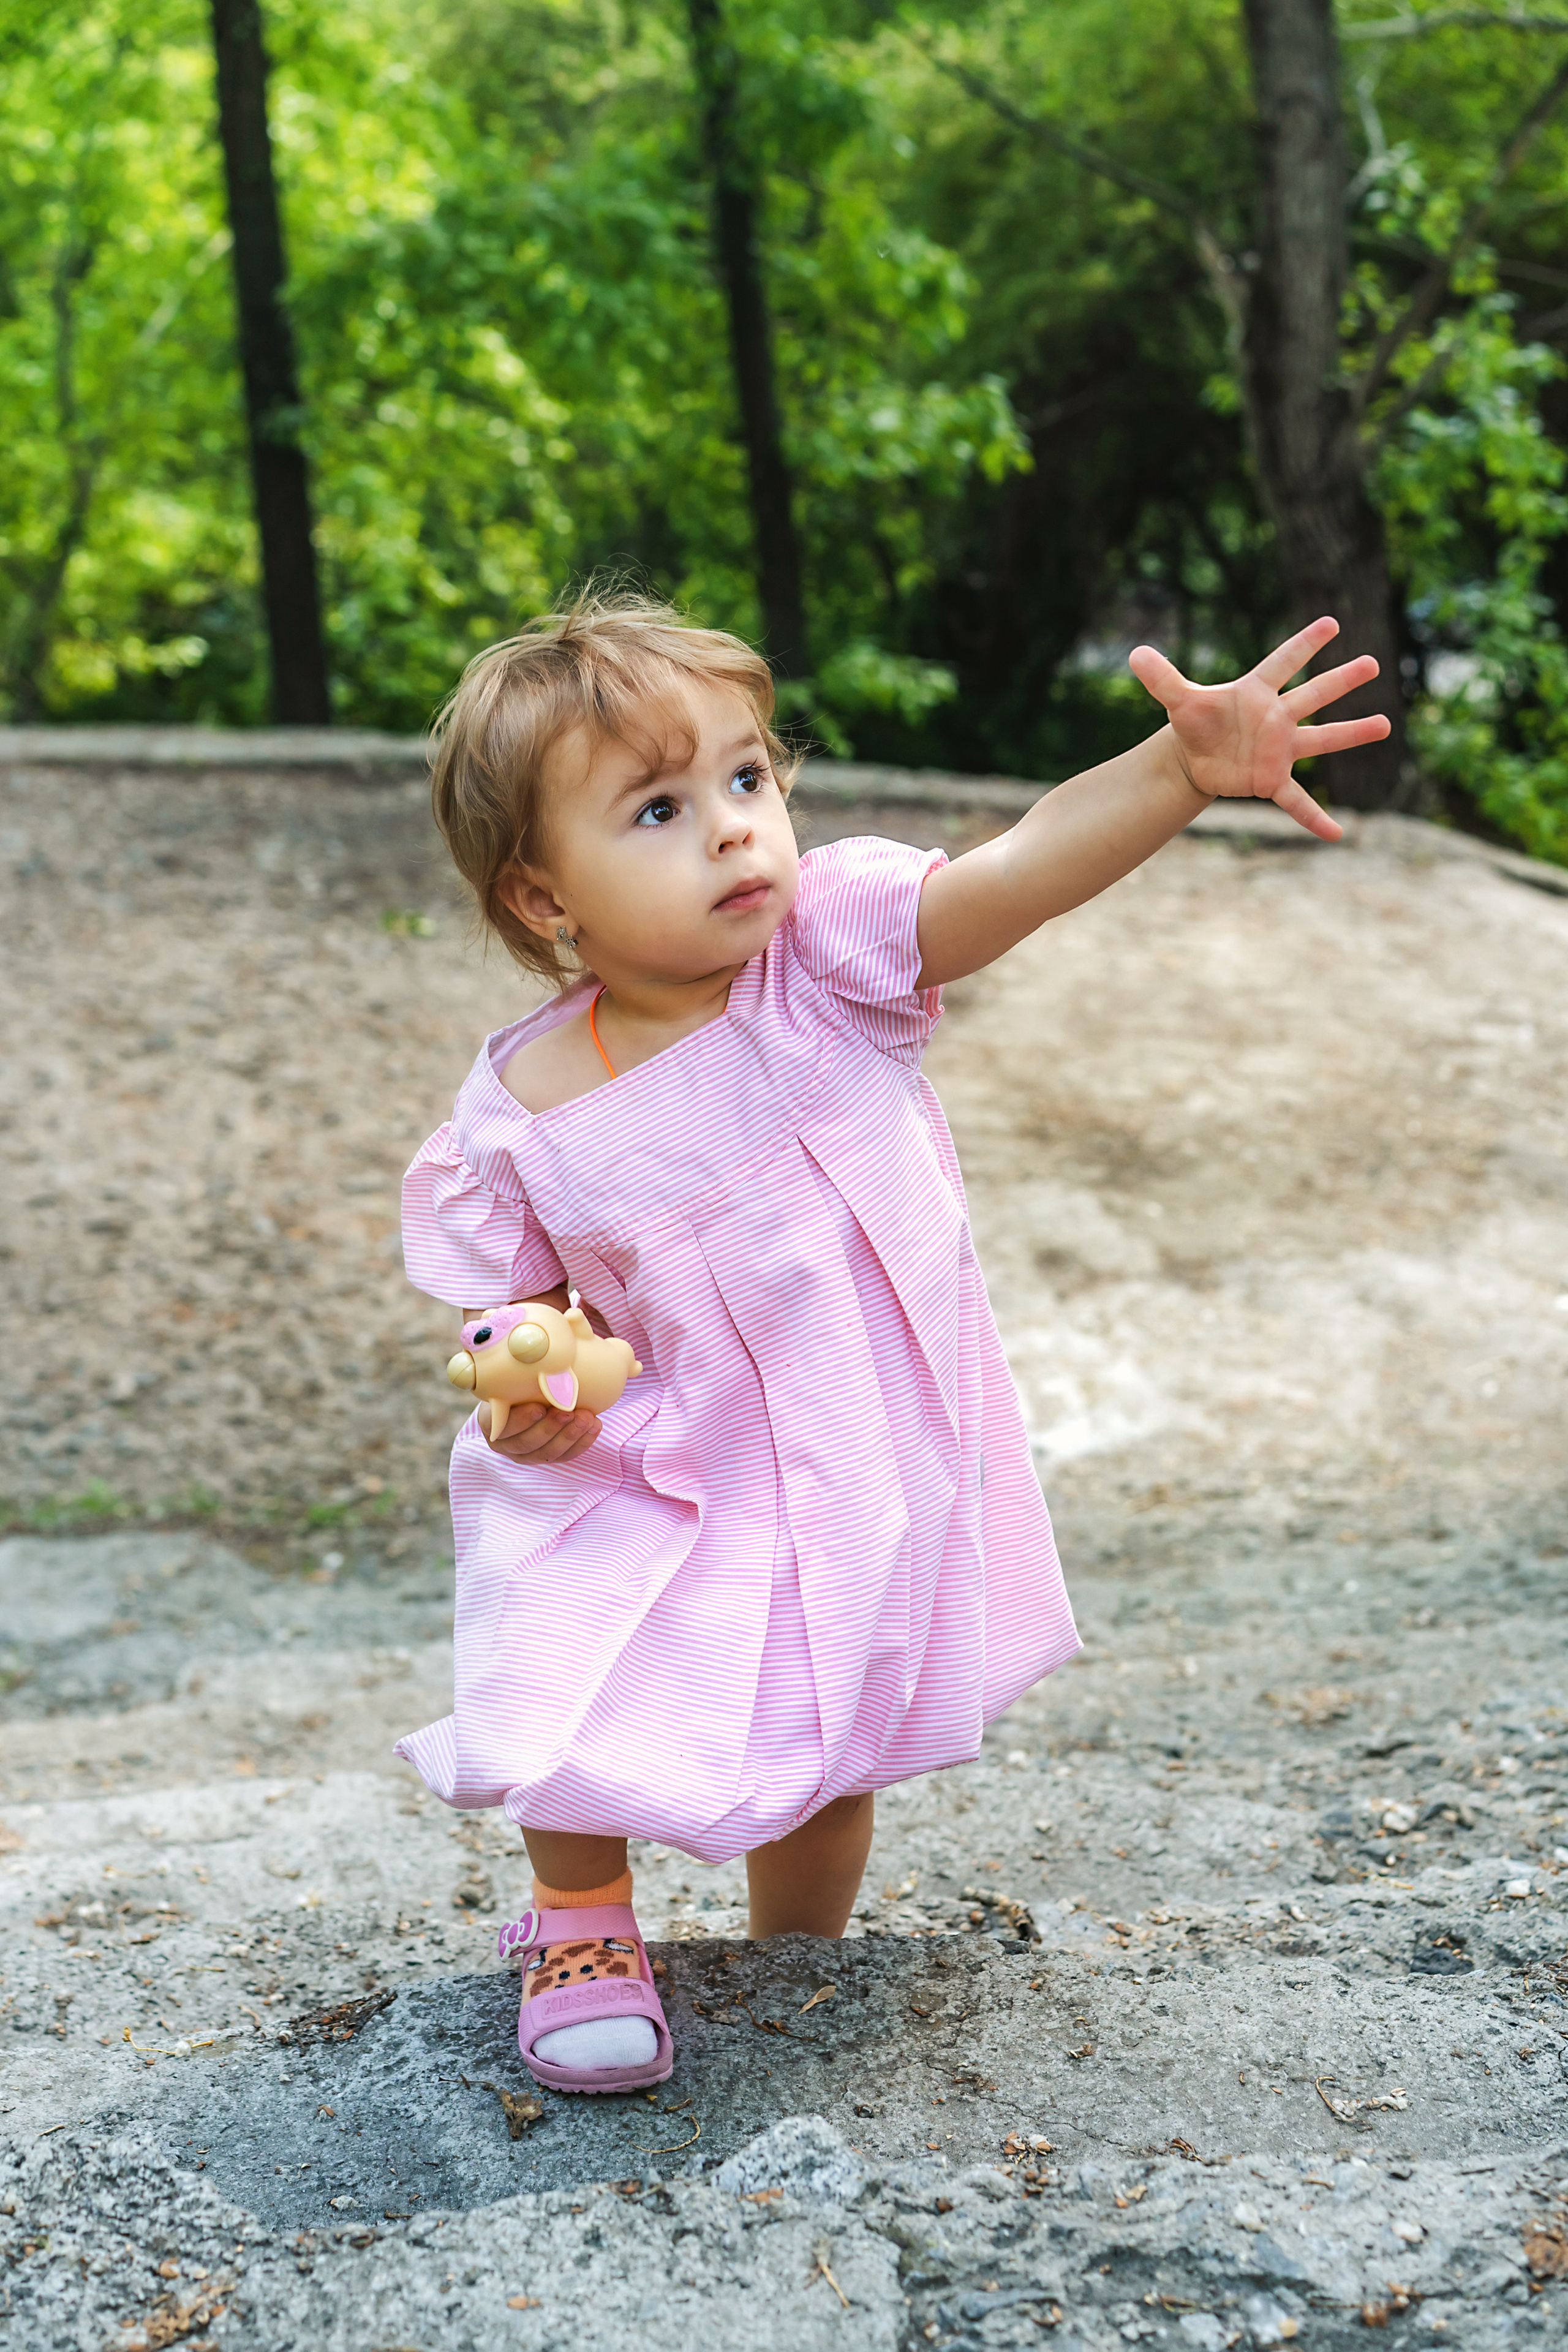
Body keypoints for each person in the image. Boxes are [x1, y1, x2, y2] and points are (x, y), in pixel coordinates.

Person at [395, 590, 1389, 2094]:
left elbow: (1018, 873)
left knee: (823, 1726)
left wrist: (1174, 773)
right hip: (660, 1445)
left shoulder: (828, 963)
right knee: (559, 1621)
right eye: (658, 809)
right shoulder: (523, 1102)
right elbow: (527, 1300)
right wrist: (528, 1378)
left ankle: (797, 1969)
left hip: (834, 1447)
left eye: (747, 777)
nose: (736, 828)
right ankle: (582, 1918)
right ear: (545, 899)